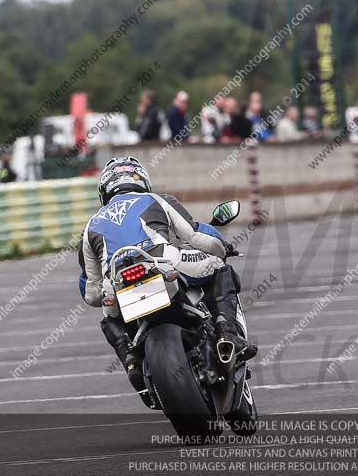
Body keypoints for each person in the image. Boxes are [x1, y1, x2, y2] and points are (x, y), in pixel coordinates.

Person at [78, 156, 254, 396]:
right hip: (163, 262)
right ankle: (227, 334)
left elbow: (90, 291)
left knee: (109, 315)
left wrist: (107, 294)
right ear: (143, 181)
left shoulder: (90, 226)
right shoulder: (155, 199)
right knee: (220, 267)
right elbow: (195, 235)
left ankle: (130, 359)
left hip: (117, 281)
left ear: (104, 191)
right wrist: (222, 248)